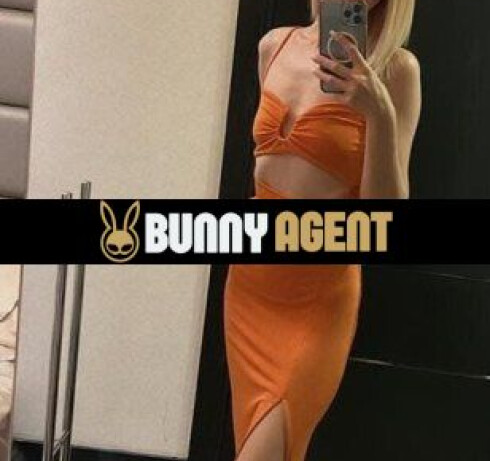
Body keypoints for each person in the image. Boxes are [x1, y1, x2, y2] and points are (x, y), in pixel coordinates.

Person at [223, 1, 421, 460]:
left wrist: (379, 115)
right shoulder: (273, 46)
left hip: (317, 299)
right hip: (250, 288)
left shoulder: (396, 71)